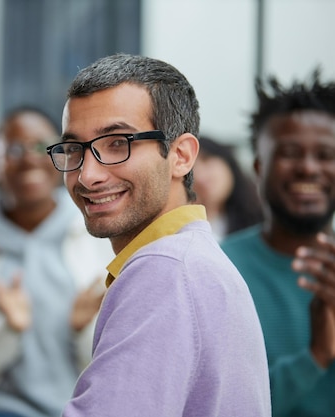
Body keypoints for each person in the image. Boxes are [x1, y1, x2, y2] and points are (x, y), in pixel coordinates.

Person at [46, 53, 271, 416]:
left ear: (181, 155)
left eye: (118, 143)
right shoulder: (191, 259)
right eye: (74, 149)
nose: (87, 175)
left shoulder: (164, 270)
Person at [0, 106, 113, 417]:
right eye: (14, 149)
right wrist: (6, 329)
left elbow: (127, 364)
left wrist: (83, 329)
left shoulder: (100, 235)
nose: (28, 158)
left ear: (63, 157)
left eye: (42, 146)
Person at [221, 70, 335, 416]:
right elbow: (220, 405)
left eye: (326, 154)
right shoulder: (220, 269)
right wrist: (316, 354)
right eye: (289, 152)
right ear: (258, 166)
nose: (308, 168)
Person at [192, 135, 263, 241]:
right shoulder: (183, 232)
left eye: (206, 160)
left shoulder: (263, 222)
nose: (199, 176)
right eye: (190, 171)